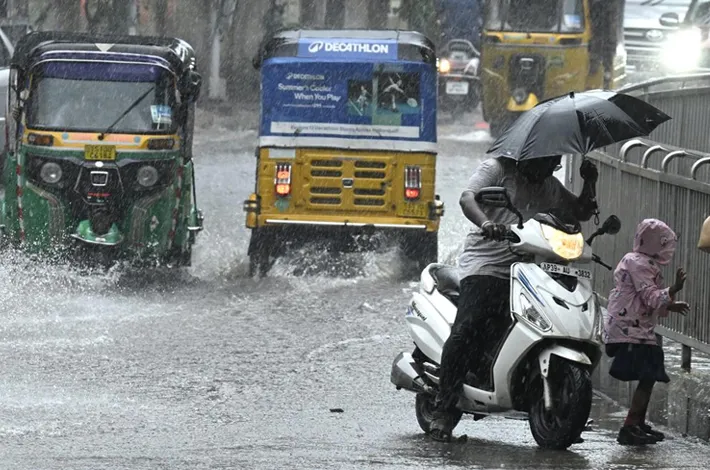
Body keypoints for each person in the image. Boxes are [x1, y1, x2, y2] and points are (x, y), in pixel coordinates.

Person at [429, 155, 600, 442]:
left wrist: (590, 181)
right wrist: (486, 223)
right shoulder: (496, 169)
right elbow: (467, 198)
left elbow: (580, 212)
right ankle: (444, 409)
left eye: (556, 162)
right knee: (467, 330)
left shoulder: (550, 186)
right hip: (486, 265)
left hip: (529, 270)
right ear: (531, 155)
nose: (552, 166)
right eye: (549, 160)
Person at [604, 219, 690, 446]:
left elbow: (646, 299)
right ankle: (630, 426)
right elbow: (650, 296)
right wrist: (673, 289)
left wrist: (670, 304)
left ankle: (637, 423)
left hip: (636, 328)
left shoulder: (642, 262)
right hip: (629, 329)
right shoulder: (637, 263)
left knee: (650, 374)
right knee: (649, 373)